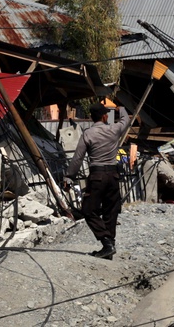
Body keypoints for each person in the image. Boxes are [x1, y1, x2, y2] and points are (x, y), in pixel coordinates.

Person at [64, 103, 134, 259]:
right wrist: (121, 109)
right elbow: (125, 120)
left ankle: (107, 244)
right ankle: (110, 246)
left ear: (91, 118)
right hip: (113, 176)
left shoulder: (88, 134)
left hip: (97, 176)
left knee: (88, 210)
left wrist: (69, 177)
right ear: (104, 116)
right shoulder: (114, 129)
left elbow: (77, 158)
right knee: (111, 211)